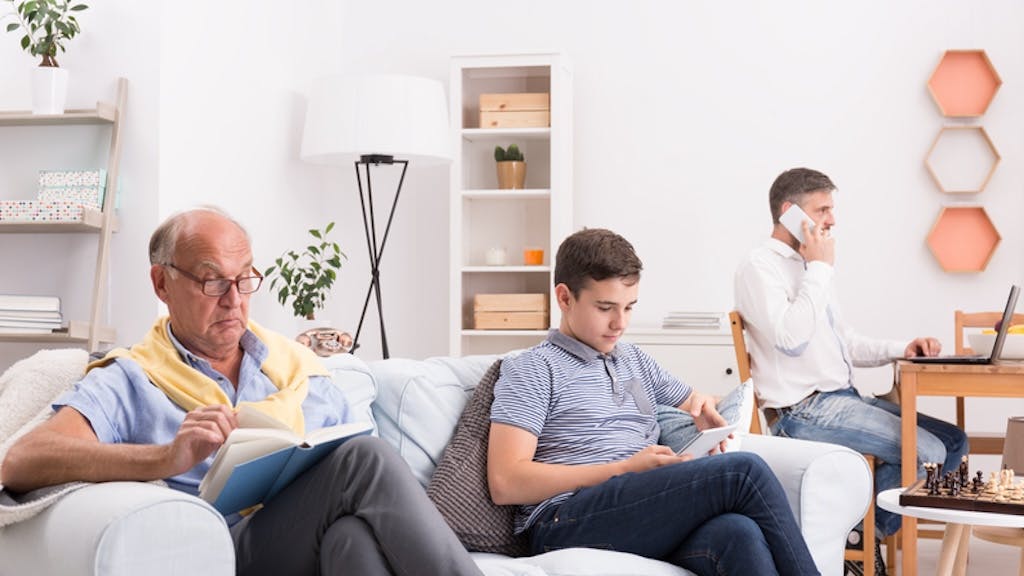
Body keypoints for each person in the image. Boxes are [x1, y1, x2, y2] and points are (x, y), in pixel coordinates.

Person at [1, 207, 482, 576]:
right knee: (367, 458)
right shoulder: (132, 376)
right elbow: (21, 461)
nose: (234, 300)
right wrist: (166, 457)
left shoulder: (298, 370)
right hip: (227, 543)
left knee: (351, 539)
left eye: (245, 278)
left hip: (305, 541)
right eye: (212, 281)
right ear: (161, 283)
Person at [487, 227, 821, 576]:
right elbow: (506, 481)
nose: (620, 323)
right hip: (565, 518)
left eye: (629, 307)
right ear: (565, 298)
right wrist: (623, 469)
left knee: (738, 533)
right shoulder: (532, 368)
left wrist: (704, 411)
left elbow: (695, 398)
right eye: (605, 308)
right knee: (744, 472)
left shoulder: (633, 359)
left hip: (635, 505)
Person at [734, 168, 969, 546]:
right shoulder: (760, 267)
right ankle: (857, 538)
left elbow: (847, 343)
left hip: (844, 400)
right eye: (823, 209)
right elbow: (790, 338)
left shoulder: (810, 267)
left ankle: (855, 531)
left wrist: (902, 348)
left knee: (954, 441)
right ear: (789, 211)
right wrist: (821, 269)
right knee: (928, 452)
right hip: (802, 411)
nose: (833, 219)